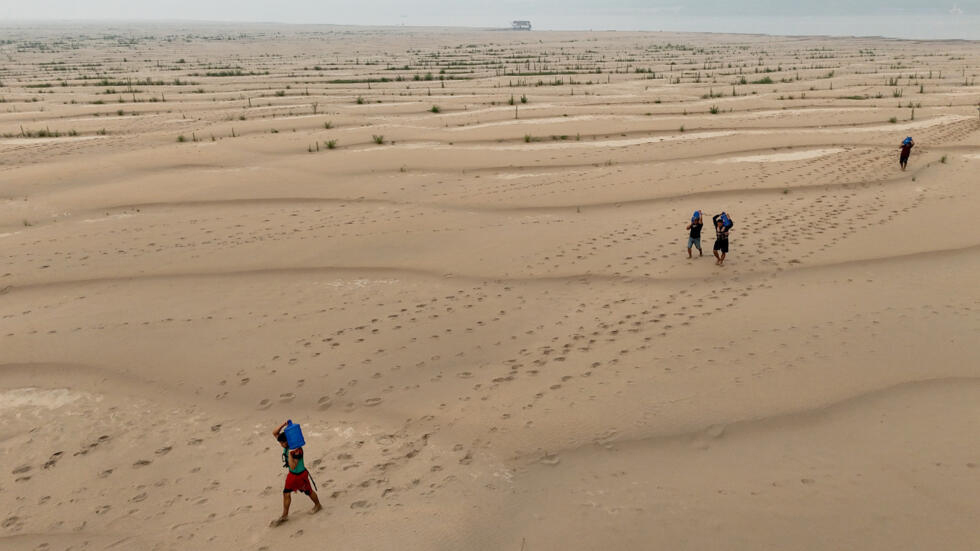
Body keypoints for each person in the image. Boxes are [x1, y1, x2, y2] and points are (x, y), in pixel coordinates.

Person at [271, 420, 321, 526]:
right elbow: (275, 433)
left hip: (300, 475)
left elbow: (293, 465)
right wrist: (283, 425)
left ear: (287, 441)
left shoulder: (297, 450)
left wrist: (290, 454)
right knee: (286, 493)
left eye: (282, 443)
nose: (280, 444)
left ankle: (318, 505)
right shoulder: (286, 444)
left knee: (309, 492)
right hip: (292, 475)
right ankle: (285, 515)